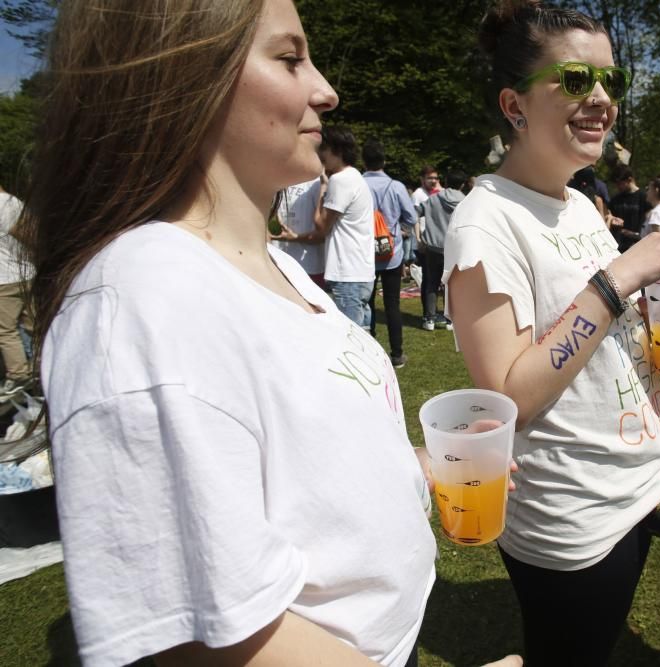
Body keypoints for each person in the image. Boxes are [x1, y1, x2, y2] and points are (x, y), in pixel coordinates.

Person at [20, 3, 524, 666]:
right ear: (189, 76)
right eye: (290, 59)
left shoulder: (275, 263)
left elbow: (295, 460)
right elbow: (202, 639)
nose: (327, 90)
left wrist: (424, 466)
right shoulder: (144, 297)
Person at [444, 2, 660, 664]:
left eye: (610, 81)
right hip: (573, 516)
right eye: (575, 79)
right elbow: (511, 393)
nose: (601, 100)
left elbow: (594, 333)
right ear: (515, 104)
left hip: (639, 482)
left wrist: (652, 316)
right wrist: (617, 281)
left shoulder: (579, 203)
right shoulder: (486, 223)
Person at [283, 126, 376, 328]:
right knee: (364, 333)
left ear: (337, 150)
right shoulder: (355, 177)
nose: (320, 154)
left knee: (350, 336)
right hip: (361, 271)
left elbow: (321, 225)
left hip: (346, 272)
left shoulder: (340, 180)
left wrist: (322, 189)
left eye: (323, 149)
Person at [363, 139, 417, 368]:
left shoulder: (357, 184)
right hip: (390, 251)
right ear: (384, 160)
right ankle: (397, 354)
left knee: (366, 303)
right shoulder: (395, 186)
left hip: (363, 252)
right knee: (392, 304)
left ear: (363, 161)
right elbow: (412, 218)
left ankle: (368, 351)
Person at [415, 171, 465, 331]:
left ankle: (429, 319)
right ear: (462, 184)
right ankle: (450, 320)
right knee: (452, 285)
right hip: (455, 248)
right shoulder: (466, 201)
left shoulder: (433, 200)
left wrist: (419, 237)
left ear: (445, 180)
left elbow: (413, 214)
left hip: (433, 248)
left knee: (432, 283)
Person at [0, 184, 34, 397]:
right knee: (33, 324)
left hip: (5, 278)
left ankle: (19, 375)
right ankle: (40, 366)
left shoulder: (3, 205)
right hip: (27, 271)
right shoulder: (14, 201)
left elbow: (23, 234)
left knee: (5, 330)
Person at [270, 176, 326, 287]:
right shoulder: (277, 178)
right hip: (278, 263)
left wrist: (295, 237)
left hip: (308, 267)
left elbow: (322, 233)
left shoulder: (316, 183)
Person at [607, 163, 650, 252]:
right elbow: (608, 215)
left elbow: (648, 224)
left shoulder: (644, 198)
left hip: (637, 246)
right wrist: (612, 219)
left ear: (629, 180)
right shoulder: (615, 199)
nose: (617, 187)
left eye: (620, 183)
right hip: (616, 246)